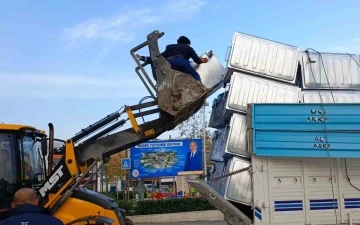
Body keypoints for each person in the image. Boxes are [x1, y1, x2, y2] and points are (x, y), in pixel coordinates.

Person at [136, 36, 209, 83]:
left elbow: (158, 58)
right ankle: (200, 88)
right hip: (180, 62)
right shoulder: (188, 47)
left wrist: (142, 58)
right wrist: (204, 60)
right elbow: (197, 60)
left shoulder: (170, 47)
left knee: (188, 64)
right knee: (195, 75)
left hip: (168, 64)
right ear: (187, 44)